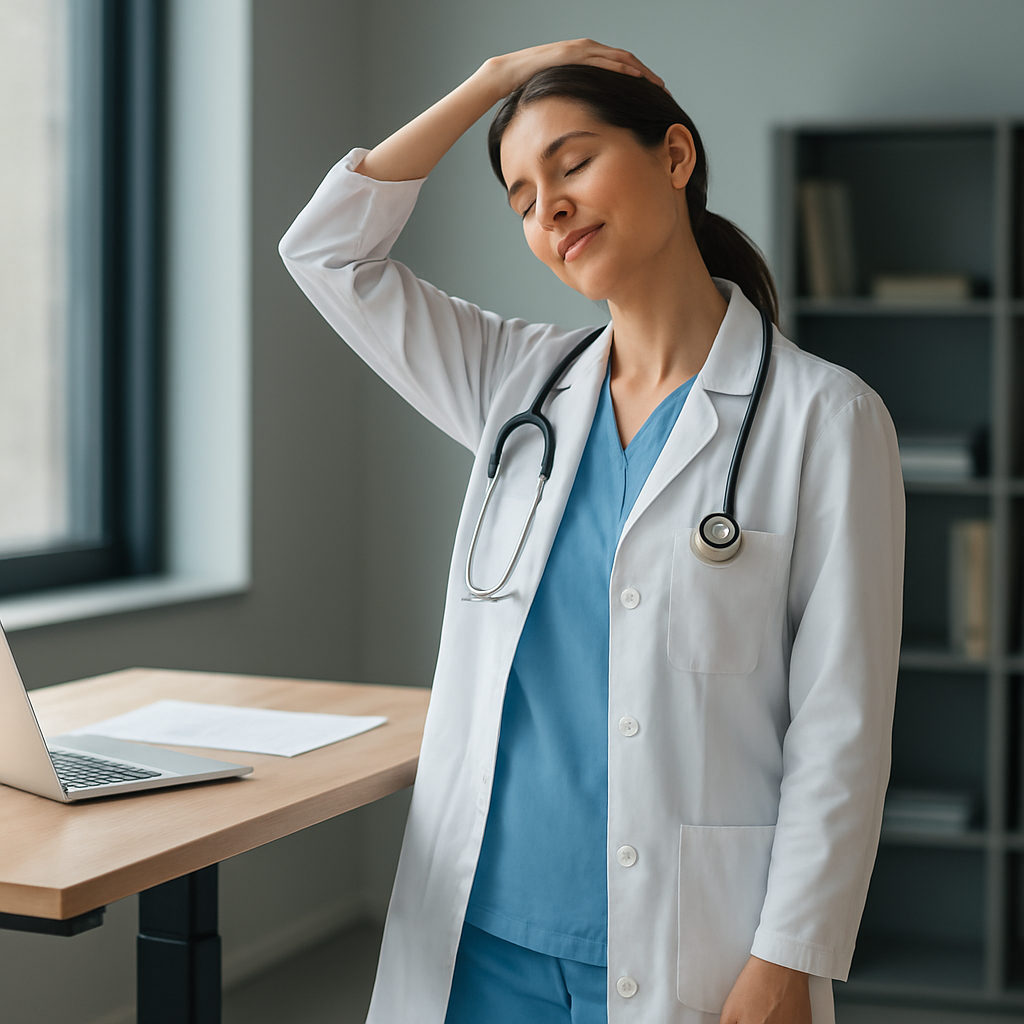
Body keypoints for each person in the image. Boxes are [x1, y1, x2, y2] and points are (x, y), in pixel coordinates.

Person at [280, 39, 905, 1024]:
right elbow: (325, 252)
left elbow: (842, 725)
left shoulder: (825, 419)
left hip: (686, 944)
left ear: (674, 156)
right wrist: (494, 82)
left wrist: (785, 959)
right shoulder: (515, 386)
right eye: (522, 196)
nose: (550, 208)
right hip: (476, 938)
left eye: (570, 163)